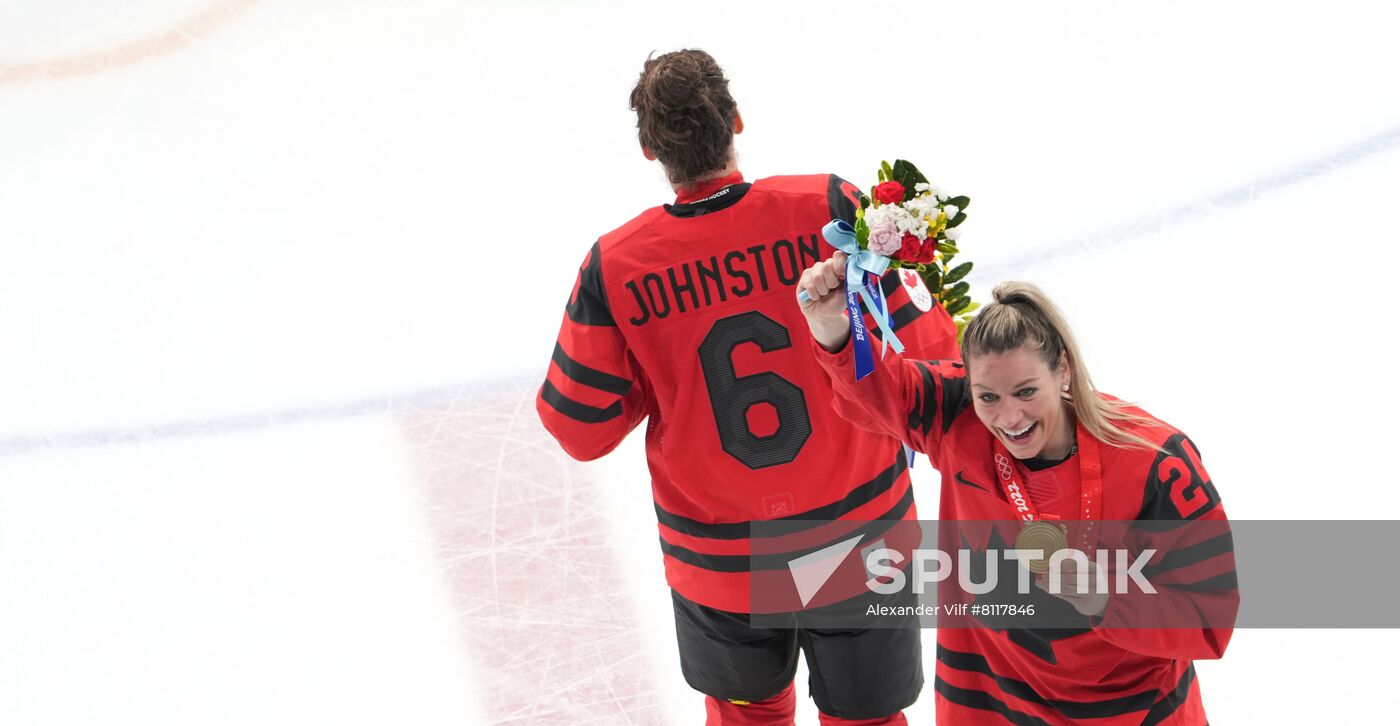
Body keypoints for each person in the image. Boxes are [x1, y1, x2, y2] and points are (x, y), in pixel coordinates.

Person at [536, 49, 961, 725]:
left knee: (746, 718)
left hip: (720, 564)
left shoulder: (616, 265)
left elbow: (578, 429)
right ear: (736, 119)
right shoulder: (827, 206)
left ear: (651, 150)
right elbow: (938, 354)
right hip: (860, 540)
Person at [796, 259, 1237, 725]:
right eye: (989, 396)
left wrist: (1107, 597)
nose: (1009, 418)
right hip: (988, 706)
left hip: (1131, 713)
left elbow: (1209, 621)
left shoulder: (1156, 461)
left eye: (1027, 392)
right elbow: (882, 388)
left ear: (1062, 370)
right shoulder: (956, 415)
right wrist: (831, 326)